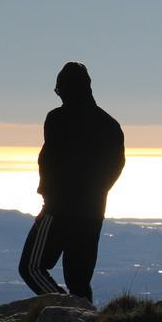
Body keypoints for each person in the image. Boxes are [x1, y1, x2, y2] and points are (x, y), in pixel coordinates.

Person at [18, 62, 125, 304]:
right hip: (92, 212)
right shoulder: (110, 125)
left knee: (32, 268)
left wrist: (52, 195)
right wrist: (96, 193)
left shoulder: (57, 119)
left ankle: (66, 308)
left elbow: (50, 161)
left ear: (63, 89)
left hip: (58, 210)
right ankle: (84, 320)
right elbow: (116, 168)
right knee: (79, 281)